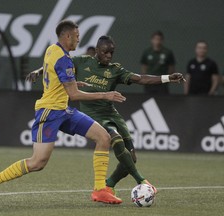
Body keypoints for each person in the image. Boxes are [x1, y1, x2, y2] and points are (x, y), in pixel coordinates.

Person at [0, 20, 126, 204]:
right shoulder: (64, 60)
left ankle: (100, 189)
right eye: (77, 36)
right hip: (49, 112)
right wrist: (105, 95)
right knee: (38, 163)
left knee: (103, 138)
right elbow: (74, 95)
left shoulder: (52, 49)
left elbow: (55, 77)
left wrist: (72, 83)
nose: (79, 40)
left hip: (64, 109)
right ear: (67, 36)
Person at [27, 35, 185, 196]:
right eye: (105, 52)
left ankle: (109, 185)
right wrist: (38, 71)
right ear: (96, 51)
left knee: (131, 158)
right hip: (93, 115)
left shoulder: (115, 70)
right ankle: (141, 181)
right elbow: (55, 66)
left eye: (111, 53)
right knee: (114, 138)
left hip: (111, 114)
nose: (108, 56)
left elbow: (141, 79)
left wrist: (167, 78)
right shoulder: (82, 62)